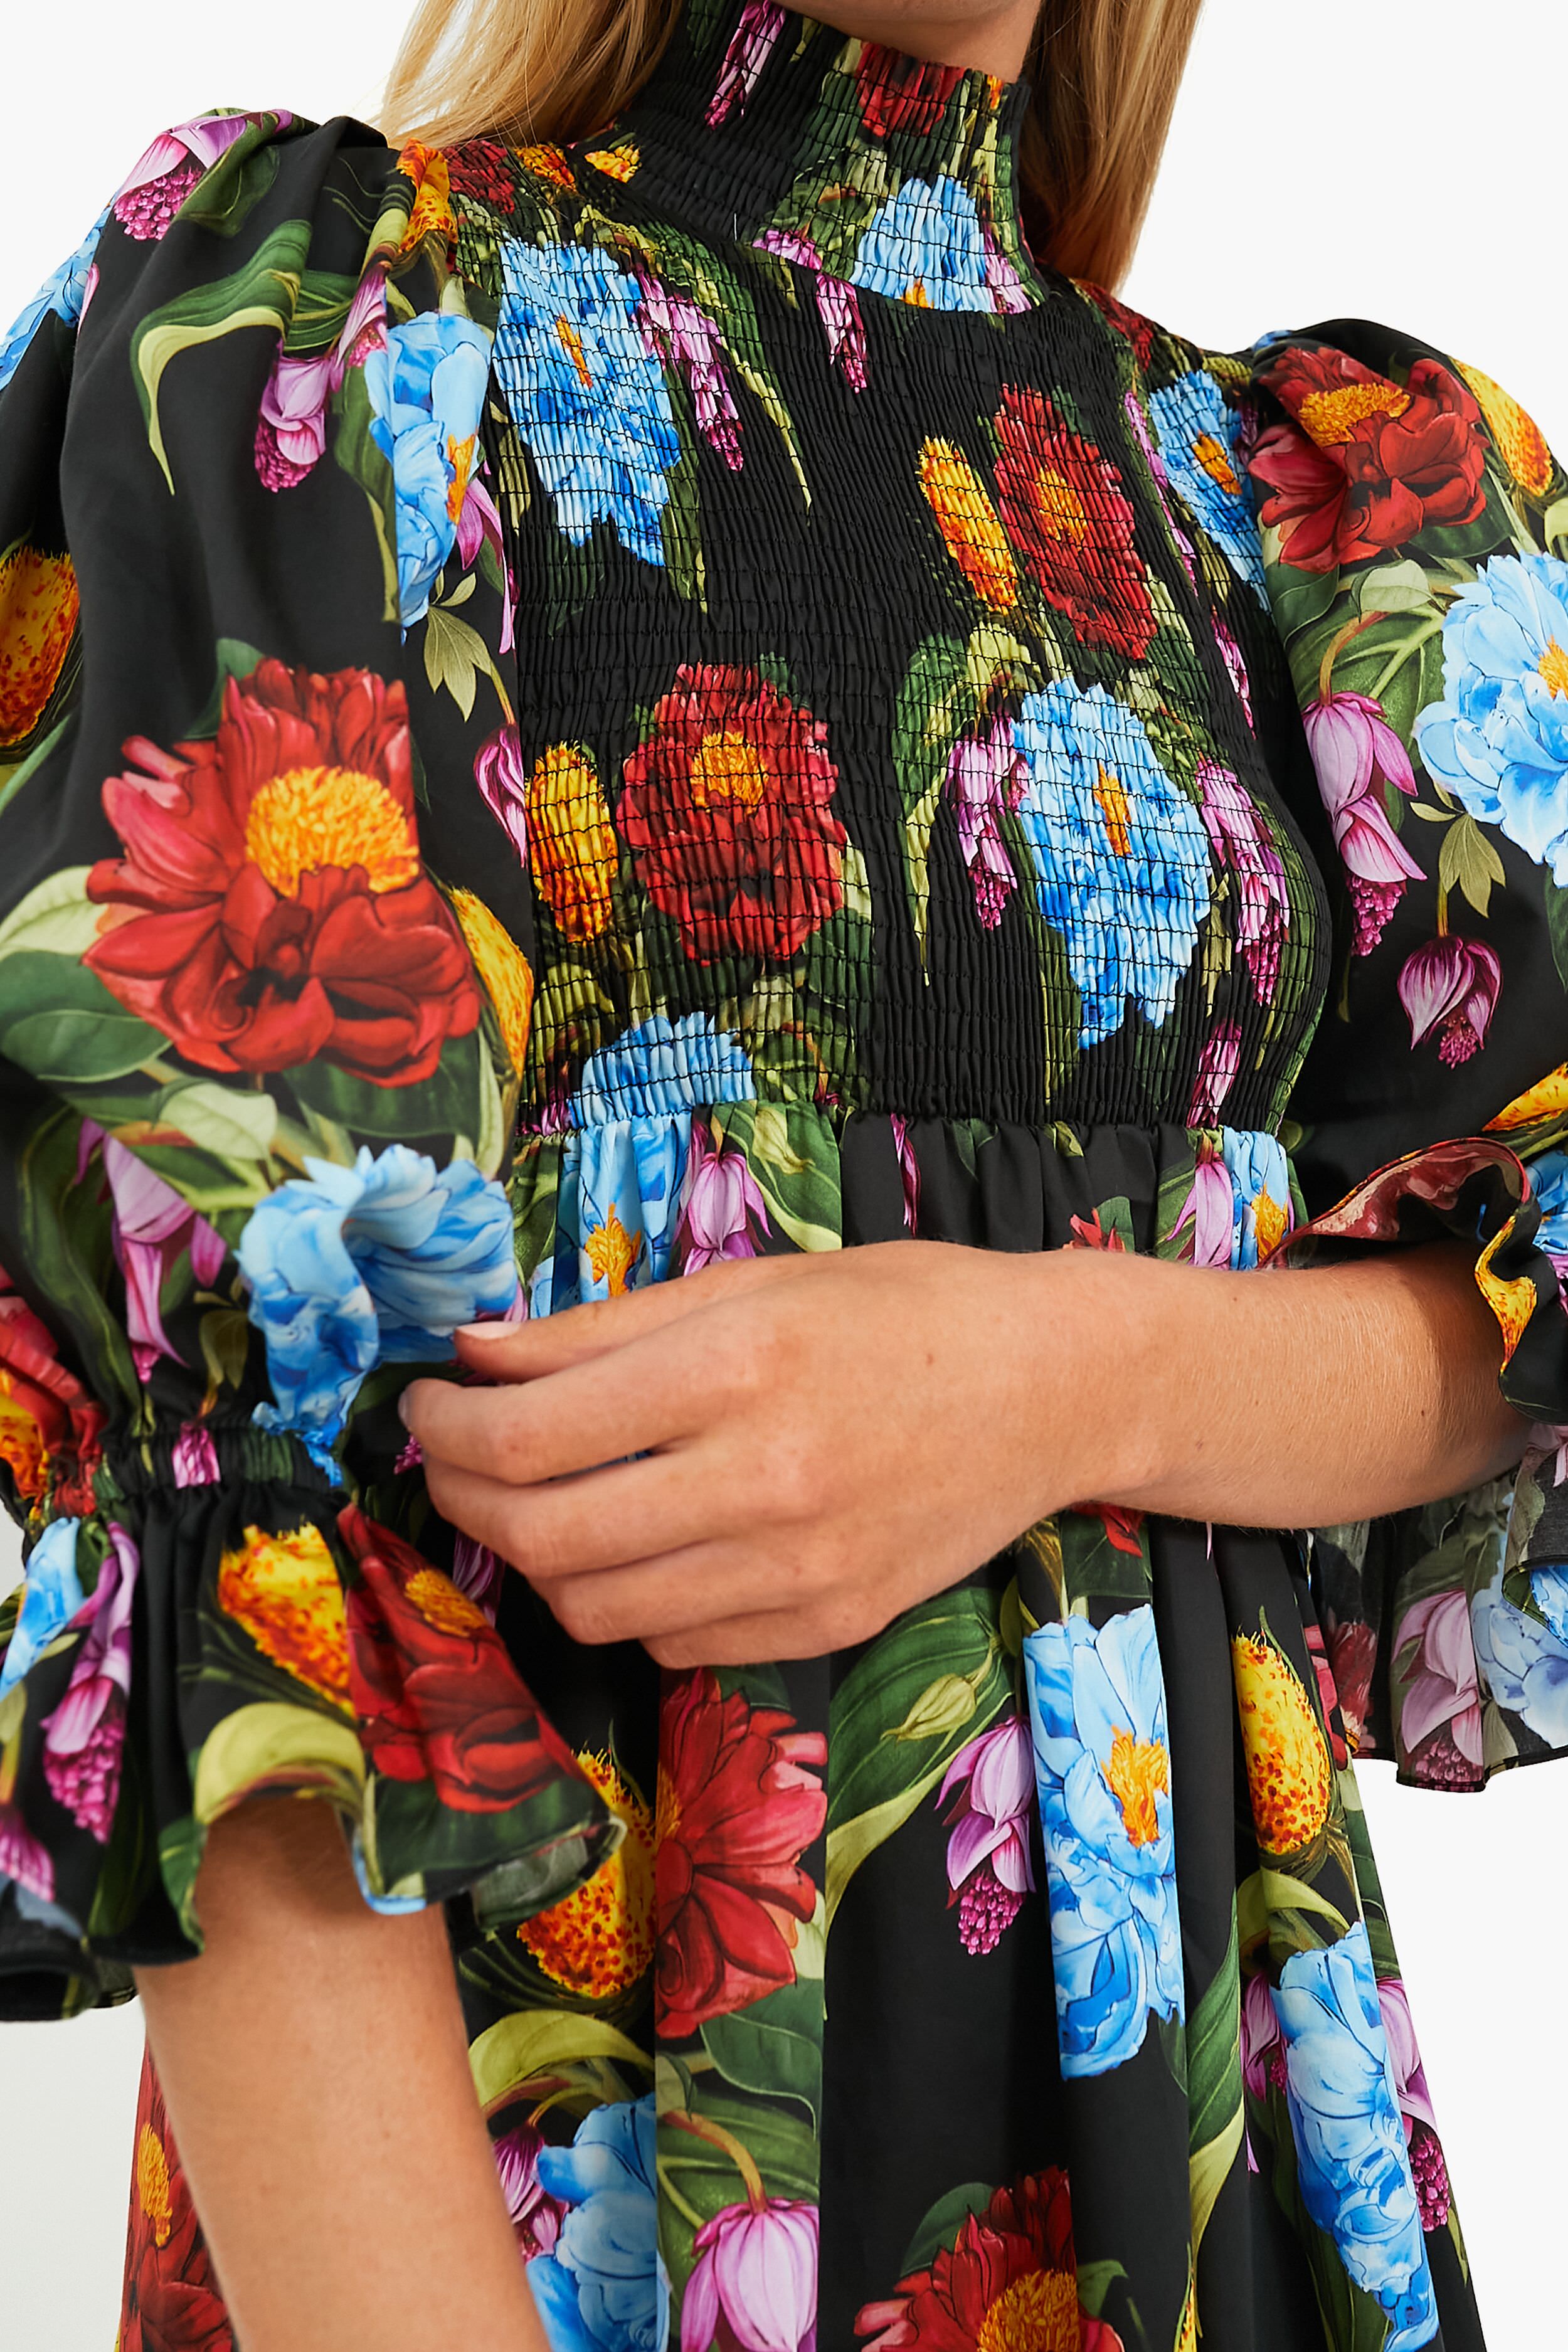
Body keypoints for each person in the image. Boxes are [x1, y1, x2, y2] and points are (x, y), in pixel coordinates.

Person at [1, 0, 1565, 2341]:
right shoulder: (335, 335)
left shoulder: (1290, 504)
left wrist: (1072, 1373)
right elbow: (215, 1546)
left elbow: (1522, 1302)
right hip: (551, 2197)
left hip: (1198, 2171)